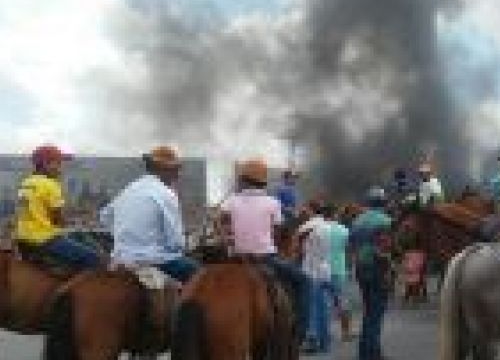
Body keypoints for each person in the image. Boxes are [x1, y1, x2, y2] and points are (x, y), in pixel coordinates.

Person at [219, 158, 312, 342]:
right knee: (305, 281)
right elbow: (276, 232)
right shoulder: (272, 202)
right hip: (265, 258)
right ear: (263, 181)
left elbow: (222, 225)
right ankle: (300, 332)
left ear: (243, 180)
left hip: (236, 258)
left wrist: (231, 244)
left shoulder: (230, 201)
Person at [99, 146, 199, 282]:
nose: (177, 175)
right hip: (154, 260)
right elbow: (175, 241)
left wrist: (124, 234)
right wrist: (185, 246)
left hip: (120, 258)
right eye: (175, 170)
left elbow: (104, 216)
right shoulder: (166, 194)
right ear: (163, 170)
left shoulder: (129, 188)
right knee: (201, 275)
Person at [14, 144, 102, 269]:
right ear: (45, 164)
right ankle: (68, 288)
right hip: (44, 240)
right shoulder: (50, 185)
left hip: (23, 239)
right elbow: (57, 220)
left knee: (73, 239)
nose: (60, 168)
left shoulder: (26, 182)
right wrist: (71, 223)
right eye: (57, 163)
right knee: (93, 258)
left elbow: (36, 211)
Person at [350, 187, 394, 360]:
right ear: (383, 203)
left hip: (361, 268)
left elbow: (351, 243)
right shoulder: (386, 220)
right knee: (376, 311)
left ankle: (363, 350)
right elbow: (387, 247)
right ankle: (374, 353)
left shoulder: (358, 219)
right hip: (378, 268)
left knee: (368, 309)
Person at [297, 201, 333, 353]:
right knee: (323, 305)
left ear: (311, 210)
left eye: (305, 209)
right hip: (324, 268)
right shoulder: (328, 226)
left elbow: (298, 248)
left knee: (311, 306)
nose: (303, 212)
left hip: (310, 269)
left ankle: (312, 339)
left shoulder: (306, 227)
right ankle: (325, 341)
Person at [325, 205, 353, 341]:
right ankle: (345, 333)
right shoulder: (343, 230)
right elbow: (349, 249)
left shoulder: (319, 230)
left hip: (322, 271)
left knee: (325, 304)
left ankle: (325, 334)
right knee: (342, 302)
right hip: (339, 269)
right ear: (335, 215)